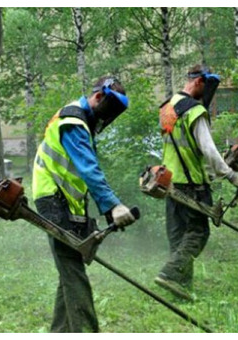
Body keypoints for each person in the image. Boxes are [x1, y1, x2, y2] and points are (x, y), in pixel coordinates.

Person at [32, 76, 136, 332]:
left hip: (63, 201)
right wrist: (113, 206)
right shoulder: (74, 121)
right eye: (108, 110)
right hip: (54, 201)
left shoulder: (79, 121)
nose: (107, 118)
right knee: (73, 270)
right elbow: (89, 170)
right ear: (98, 97)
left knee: (70, 270)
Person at [154, 64, 238, 300]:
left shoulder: (167, 107)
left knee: (178, 235)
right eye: (208, 87)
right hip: (191, 182)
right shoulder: (194, 111)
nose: (208, 94)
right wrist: (230, 175)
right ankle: (170, 273)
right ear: (198, 82)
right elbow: (208, 149)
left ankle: (181, 289)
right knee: (198, 232)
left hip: (169, 180)